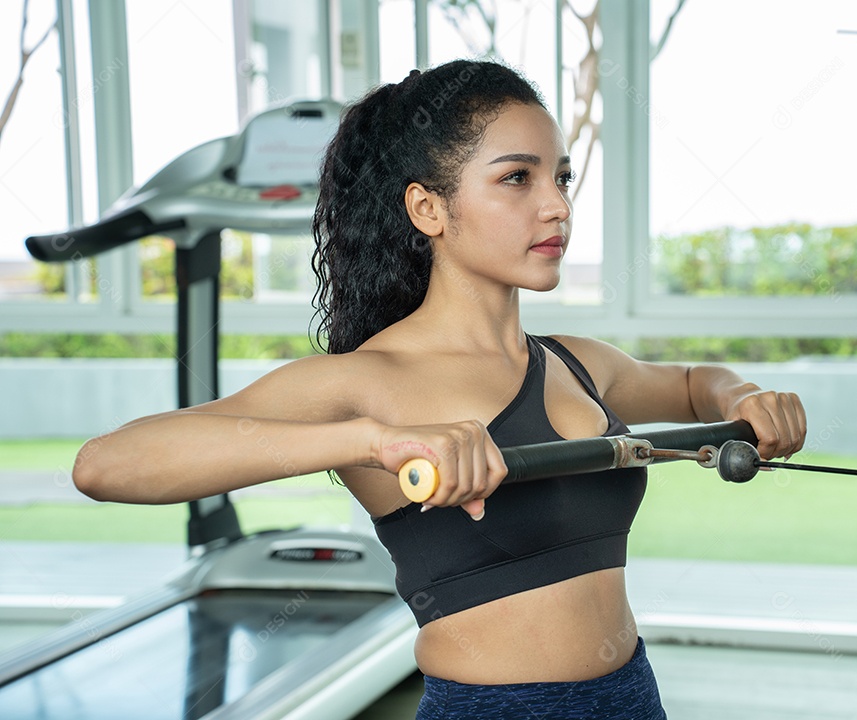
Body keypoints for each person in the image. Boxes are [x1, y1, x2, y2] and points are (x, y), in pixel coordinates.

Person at [72, 59, 806, 719]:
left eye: (561, 177)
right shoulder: (367, 382)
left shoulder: (577, 364)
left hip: (631, 699)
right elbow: (105, 465)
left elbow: (693, 385)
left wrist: (743, 396)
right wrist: (376, 442)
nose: (557, 206)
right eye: (517, 178)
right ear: (428, 208)